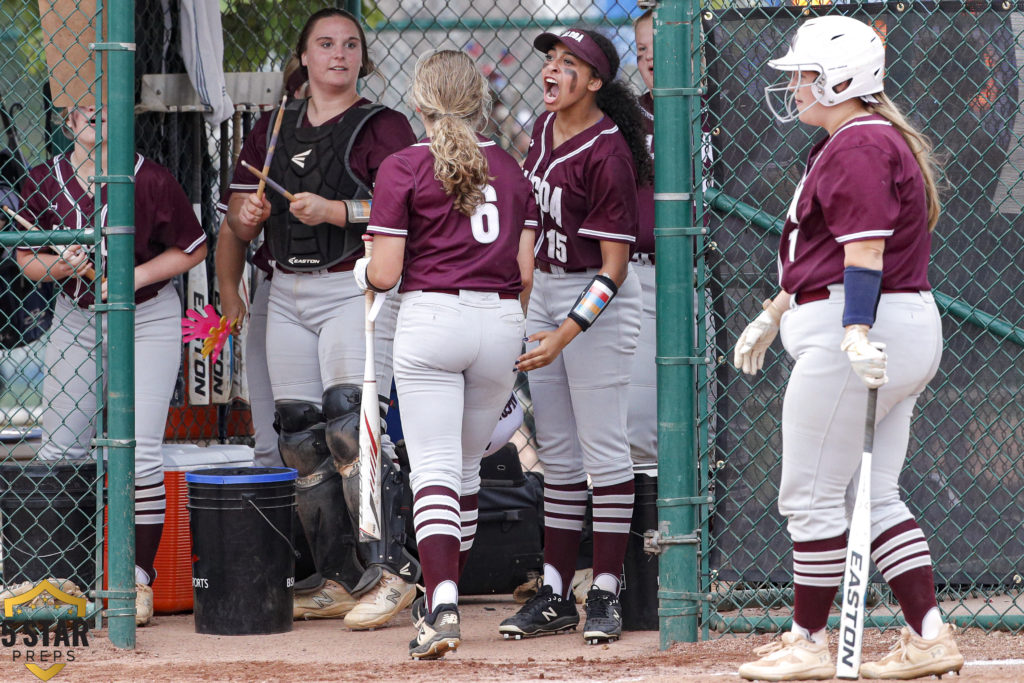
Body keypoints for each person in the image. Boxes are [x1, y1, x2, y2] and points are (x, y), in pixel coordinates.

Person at [734, 16, 963, 680]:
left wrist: (855, 330)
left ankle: (806, 639)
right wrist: (775, 310)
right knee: (874, 493)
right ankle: (927, 635)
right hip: (888, 321)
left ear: (841, 79)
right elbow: (827, 252)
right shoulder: (854, 139)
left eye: (805, 75)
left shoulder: (859, 145)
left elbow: (864, 254)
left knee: (808, 494)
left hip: (862, 326)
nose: (797, 87)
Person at [225, 7, 419, 630]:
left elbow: (408, 209)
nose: (339, 54)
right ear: (303, 58)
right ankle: (337, 576)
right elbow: (235, 215)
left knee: (348, 426)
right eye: (325, 44)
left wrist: (336, 211)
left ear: (363, 58)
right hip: (287, 289)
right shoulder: (274, 126)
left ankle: (389, 570)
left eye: (351, 45)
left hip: (349, 289)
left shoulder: (382, 126)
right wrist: (248, 217)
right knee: (301, 436)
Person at [357, 48, 537, 659]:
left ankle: (441, 608)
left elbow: (385, 274)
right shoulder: (510, 168)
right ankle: (447, 594)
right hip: (501, 318)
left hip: (432, 316)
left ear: (418, 101)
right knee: (463, 471)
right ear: (478, 101)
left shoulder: (404, 164)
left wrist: (364, 270)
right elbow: (526, 272)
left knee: (432, 468)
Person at [16, 104, 208, 627]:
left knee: (141, 450)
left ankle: (136, 582)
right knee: (61, 446)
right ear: (60, 114)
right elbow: (27, 262)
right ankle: (61, 576)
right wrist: (64, 263)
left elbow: (192, 248)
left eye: (105, 105)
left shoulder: (149, 176)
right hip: (76, 314)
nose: (94, 116)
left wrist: (133, 273)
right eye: (81, 106)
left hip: (146, 314)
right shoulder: (43, 179)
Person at [498, 27, 651, 645]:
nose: (553, 71)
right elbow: (532, 215)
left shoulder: (609, 150)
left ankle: (607, 592)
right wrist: (525, 274)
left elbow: (613, 269)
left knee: (605, 450)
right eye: (551, 61)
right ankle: (557, 592)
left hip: (599, 300)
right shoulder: (541, 127)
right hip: (553, 294)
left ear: (595, 82)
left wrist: (561, 333)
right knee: (558, 455)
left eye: (569, 64)